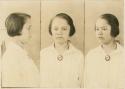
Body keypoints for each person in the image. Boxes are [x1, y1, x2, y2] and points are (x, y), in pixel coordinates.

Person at [40, 13, 84, 88]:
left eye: (64, 29)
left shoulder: (78, 55)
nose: (59, 32)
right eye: (56, 29)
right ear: (51, 30)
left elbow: (82, 84)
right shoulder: (44, 54)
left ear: (70, 30)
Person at [84, 13, 125, 88]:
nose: (99, 32)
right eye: (97, 29)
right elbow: (86, 84)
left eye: (104, 29)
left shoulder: (122, 54)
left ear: (114, 29)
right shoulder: (91, 55)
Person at [2, 12, 39, 87]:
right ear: (17, 28)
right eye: (28, 28)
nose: (31, 33)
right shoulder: (11, 56)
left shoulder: (20, 53)